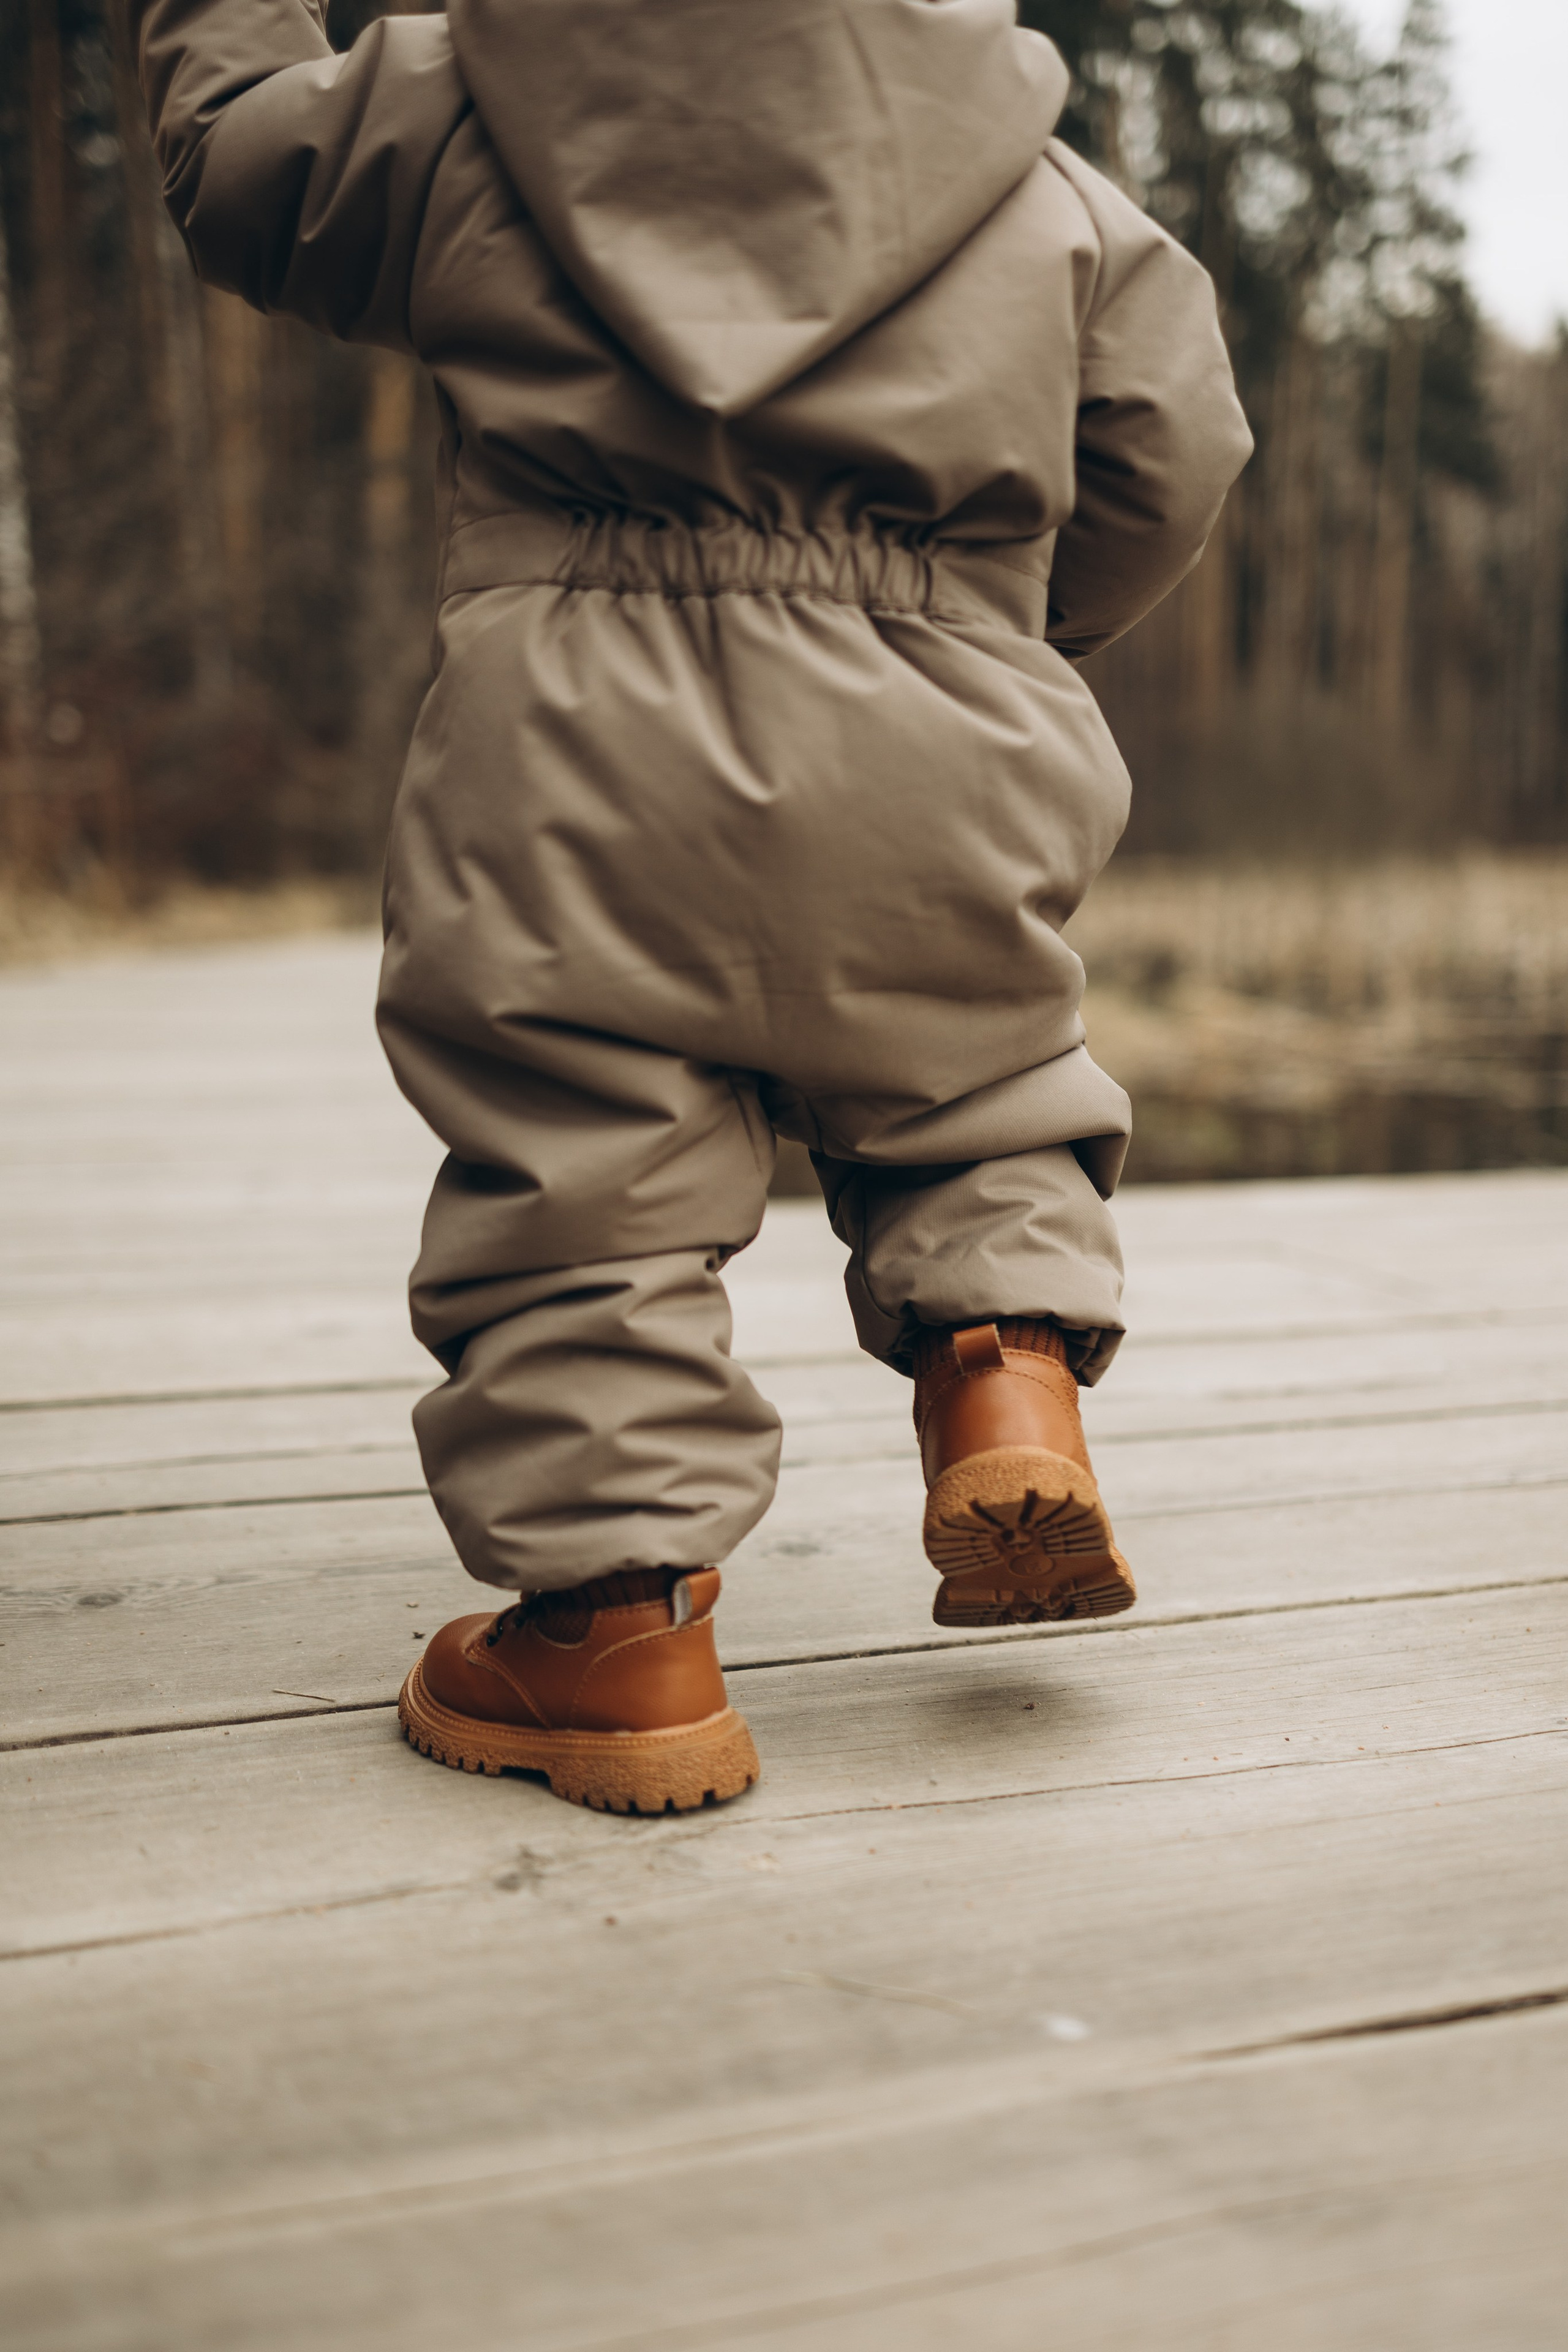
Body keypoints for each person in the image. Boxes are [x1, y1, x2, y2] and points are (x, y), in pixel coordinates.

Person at [137, 0, 1251, 1814]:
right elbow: (1178, 438)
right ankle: (1003, 1377)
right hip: (943, 721)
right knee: (975, 1079)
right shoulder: (1040, 188)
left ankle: (617, 1641)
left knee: (585, 1167)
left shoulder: (455, 102)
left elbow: (233, 159)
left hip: (578, 732)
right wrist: (995, 632)